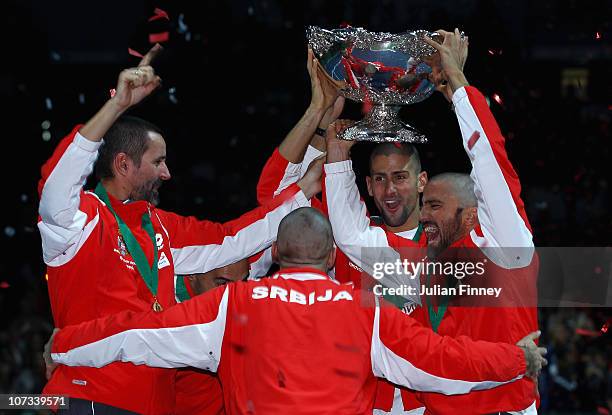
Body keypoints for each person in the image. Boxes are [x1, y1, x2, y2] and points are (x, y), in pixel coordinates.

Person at [37, 45, 322, 414]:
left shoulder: (161, 228)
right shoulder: (79, 221)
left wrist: (303, 193)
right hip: (92, 395)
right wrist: (116, 106)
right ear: (123, 164)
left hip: (154, 404)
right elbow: (56, 184)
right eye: (158, 162)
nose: (167, 173)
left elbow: (231, 239)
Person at [49, 207, 547, 414]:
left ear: (279, 256)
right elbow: (442, 364)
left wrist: (66, 344)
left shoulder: (233, 302)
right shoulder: (364, 311)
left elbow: (140, 331)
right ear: (332, 258)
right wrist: (515, 361)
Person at [325, 29, 540, 414]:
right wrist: (338, 157)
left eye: (436, 205)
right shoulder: (429, 267)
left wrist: (458, 84)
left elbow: (490, 160)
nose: (424, 213)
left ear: (472, 213)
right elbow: (351, 235)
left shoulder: (508, 246)